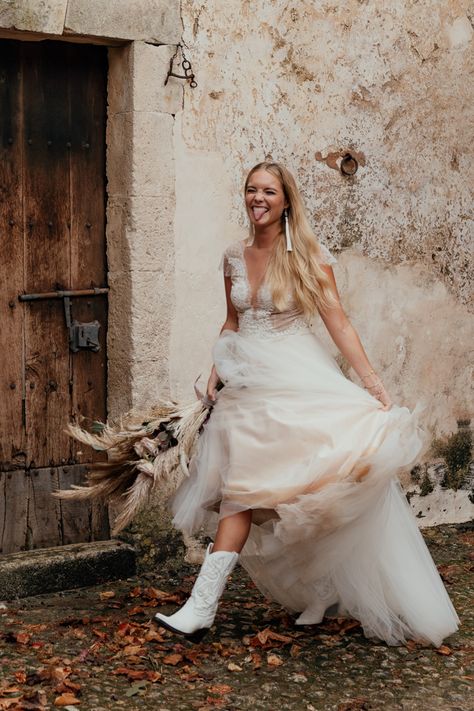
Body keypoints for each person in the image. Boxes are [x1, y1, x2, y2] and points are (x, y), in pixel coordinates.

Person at [155, 161, 459, 646]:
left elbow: (337, 322)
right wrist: (215, 368)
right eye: (252, 190)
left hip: (295, 383)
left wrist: (373, 384)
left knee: (266, 494)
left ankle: (201, 608)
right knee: (264, 497)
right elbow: (232, 320)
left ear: (285, 200)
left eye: (268, 192)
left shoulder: (308, 254)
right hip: (245, 389)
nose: (258, 198)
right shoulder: (233, 255)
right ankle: (318, 590)